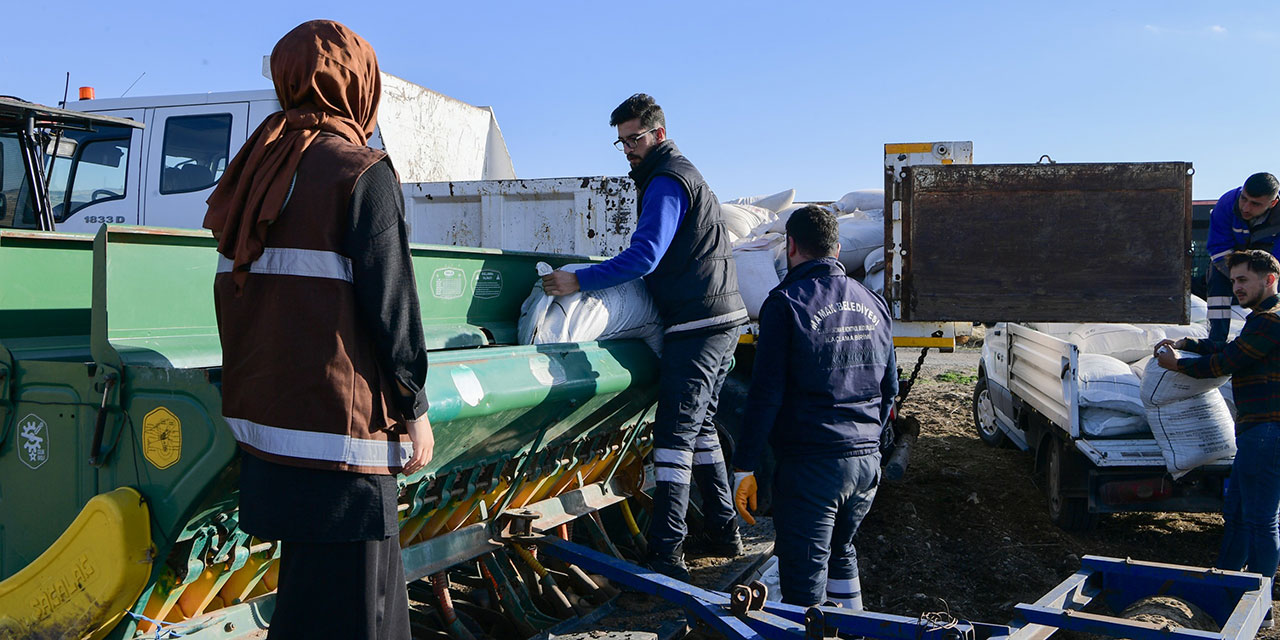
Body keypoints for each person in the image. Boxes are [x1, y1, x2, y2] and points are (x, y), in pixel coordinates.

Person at [203, 20, 432, 640]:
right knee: (365, 616)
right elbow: (393, 307)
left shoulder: (250, 173)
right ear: (360, 85)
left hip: (270, 437)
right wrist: (415, 406)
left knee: (304, 608)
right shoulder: (360, 172)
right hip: (344, 449)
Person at [541, 93, 748, 580]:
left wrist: (579, 280)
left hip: (697, 322)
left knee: (673, 437)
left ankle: (666, 554)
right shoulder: (680, 173)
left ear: (658, 134)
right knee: (701, 431)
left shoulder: (667, 179)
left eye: (634, 139)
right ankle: (723, 530)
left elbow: (645, 255)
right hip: (722, 318)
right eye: (621, 142)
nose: (628, 149)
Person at [732, 205, 897, 609]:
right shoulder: (874, 303)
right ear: (837, 249)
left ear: (790, 246)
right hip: (865, 466)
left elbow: (766, 394)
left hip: (812, 470)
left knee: (803, 582)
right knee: (841, 552)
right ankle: (853, 632)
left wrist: (745, 466)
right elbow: (890, 389)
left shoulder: (786, 303)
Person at [1155, 250, 1280, 591]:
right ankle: (1224, 584)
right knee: (1237, 513)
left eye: (1243, 280)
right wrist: (1186, 343)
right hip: (1257, 431)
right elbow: (1229, 349)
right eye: (1234, 280)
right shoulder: (1261, 320)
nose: (1236, 288)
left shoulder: (1271, 321)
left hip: (1268, 433)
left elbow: (1227, 363)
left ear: (1269, 280)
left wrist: (1177, 364)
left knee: (1260, 519)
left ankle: (1258, 599)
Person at [1205, 173, 1280, 343]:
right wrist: (1236, 275)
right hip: (1232, 258)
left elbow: (1277, 262)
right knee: (1216, 280)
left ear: (1273, 203)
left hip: (1268, 262)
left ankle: (1266, 335)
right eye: (1244, 199)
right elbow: (1218, 248)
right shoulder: (1226, 204)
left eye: (1255, 204)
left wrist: (1259, 280)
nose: (1246, 207)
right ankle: (1215, 341)